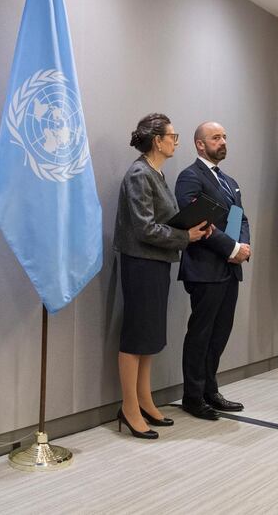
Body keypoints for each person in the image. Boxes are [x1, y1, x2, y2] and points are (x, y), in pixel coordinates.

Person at [113, 113, 212, 439]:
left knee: (150, 337)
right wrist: (187, 237)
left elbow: (166, 219)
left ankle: (144, 400)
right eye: (173, 136)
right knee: (135, 337)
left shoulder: (155, 173)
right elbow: (144, 228)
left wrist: (194, 224)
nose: (176, 141)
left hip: (156, 262)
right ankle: (129, 408)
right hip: (140, 263)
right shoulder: (139, 174)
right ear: (157, 140)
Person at [175, 121, 251, 420]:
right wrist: (231, 249)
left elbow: (239, 218)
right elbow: (197, 221)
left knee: (220, 333)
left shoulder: (229, 181)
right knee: (201, 334)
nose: (222, 142)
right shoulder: (189, 177)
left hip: (230, 269)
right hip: (205, 269)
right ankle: (192, 397)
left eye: (224, 136)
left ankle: (210, 390)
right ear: (199, 144)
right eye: (215, 137)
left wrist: (243, 246)